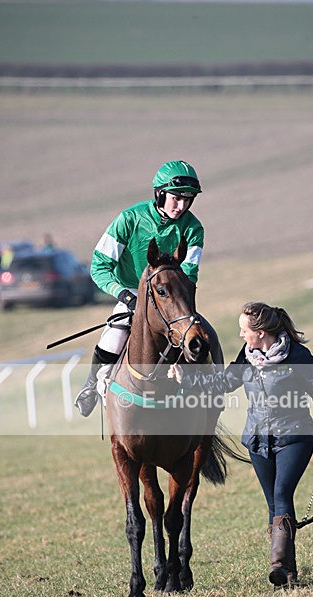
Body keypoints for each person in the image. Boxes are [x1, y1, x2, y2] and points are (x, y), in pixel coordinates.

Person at [168, 302, 313, 588]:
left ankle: (278, 565)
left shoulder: (298, 356)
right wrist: (187, 381)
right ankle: (288, 573)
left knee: (282, 494)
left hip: (294, 438)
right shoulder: (247, 358)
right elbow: (222, 383)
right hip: (257, 441)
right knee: (274, 504)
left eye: (244, 329)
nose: (241, 334)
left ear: (260, 331)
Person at [75, 160, 204, 416]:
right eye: (176, 198)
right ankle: (90, 385)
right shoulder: (129, 219)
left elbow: (189, 273)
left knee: (199, 338)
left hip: (173, 297)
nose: (181, 206)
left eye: (187, 200)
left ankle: (208, 392)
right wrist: (124, 295)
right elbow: (99, 267)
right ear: (160, 193)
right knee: (114, 336)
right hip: (131, 293)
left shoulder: (194, 228)